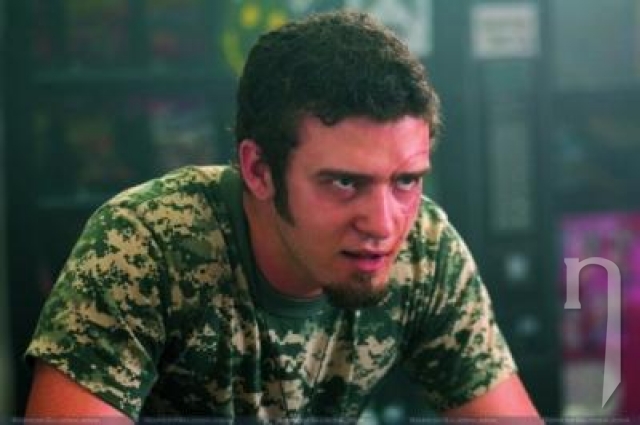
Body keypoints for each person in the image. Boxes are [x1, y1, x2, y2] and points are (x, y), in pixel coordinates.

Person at [25, 10, 540, 423]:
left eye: (405, 181)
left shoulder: (424, 249)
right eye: (344, 183)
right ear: (259, 170)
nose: (384, 225)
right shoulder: (145, 246)